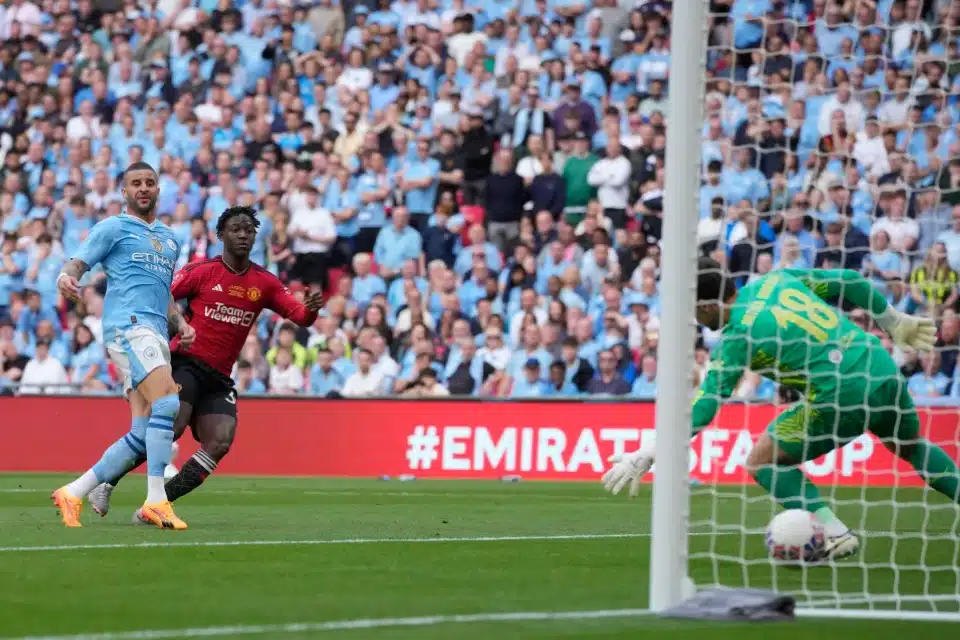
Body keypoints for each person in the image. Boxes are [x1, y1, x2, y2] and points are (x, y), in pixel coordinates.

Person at [603, 259, 959, 561]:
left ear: (708, 306)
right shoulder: (776, 280)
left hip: (840, 393)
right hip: (878, 365)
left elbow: (706, 404)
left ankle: (834, 532)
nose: (694, 318)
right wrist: (894, 322)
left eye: (693, 309)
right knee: (911, 447)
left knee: (762, 460)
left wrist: (653, 449)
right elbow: (850, 281)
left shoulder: (737, 336)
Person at [88, 206, 323, 520]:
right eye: (236, 229)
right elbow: (160, 298)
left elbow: (299, 317)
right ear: (221, 235)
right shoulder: (201, 272)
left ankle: (156, 506)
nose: (243, 235)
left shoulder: (264, 282)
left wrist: (310, 310)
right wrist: (166, 333)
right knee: (171, 428)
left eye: (249, 230)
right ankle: (106, 482)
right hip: (186, 364)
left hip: (219, 377)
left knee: (220, 441)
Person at [52, 162, 196, 530]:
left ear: (158, 190)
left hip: (156, 332)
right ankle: (156, 501)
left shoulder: (169, 239)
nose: (143, 188)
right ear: (124, 191)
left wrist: (180, 323)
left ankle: (73, 491)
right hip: (128, 328)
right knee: (168, 401)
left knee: (141, 433)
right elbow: (78, 261)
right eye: (136, 183)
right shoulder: (113, 227)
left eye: (149, 182)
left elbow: (163, 293)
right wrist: (67, 277)